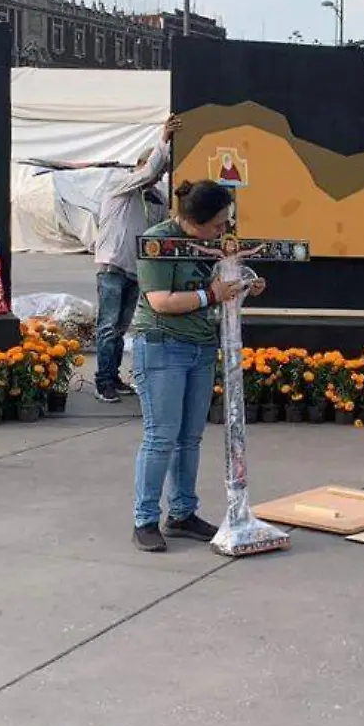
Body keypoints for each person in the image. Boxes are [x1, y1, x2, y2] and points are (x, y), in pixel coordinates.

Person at [129, 179, 265, 553]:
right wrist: (211, 295)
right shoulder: (159, 241)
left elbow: (219, 282)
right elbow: (160, 300)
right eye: (219, 223)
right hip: (162, 346)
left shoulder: (209, 244)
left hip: (201, 346)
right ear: (198, 220)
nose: (224, 230)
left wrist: (242, 284)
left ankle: (182, 512)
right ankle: (144, 519)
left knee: (190, 437)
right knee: (161, 437)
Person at [92, 115, 180, 403]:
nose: (157, 176)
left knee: (120, 328)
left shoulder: (156, 198)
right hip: (112, 266)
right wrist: (163, 140)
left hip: (136, 271)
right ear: (141, 167)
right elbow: (147, 172)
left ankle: (113, 376)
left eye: (162, 173)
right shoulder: (120, 185)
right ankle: (102, 380)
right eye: (156, 170)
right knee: (107, 326)